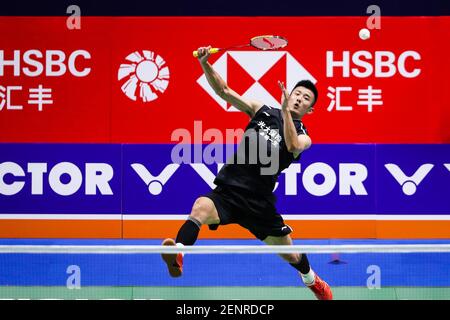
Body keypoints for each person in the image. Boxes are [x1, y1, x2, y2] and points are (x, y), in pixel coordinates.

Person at [161, 46, 332, 300]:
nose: (299, 98)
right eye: (297, 93)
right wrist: (206, 64)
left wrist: (285, 111)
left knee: (293, 256)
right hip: (228, 192)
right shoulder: (261, 109)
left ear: (311, 109)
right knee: (199, 207)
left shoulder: (305, 137)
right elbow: (225, 91)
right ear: (289, 93)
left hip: (259, 203)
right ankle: (179, 253)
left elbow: (293, 146)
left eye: (306, 98)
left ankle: (311, 279)